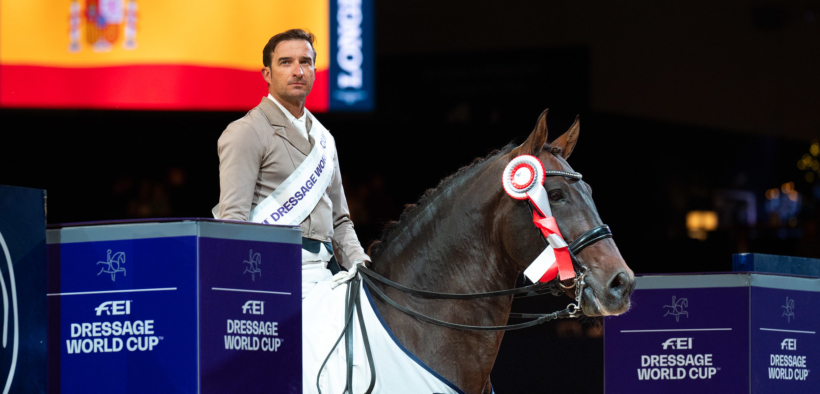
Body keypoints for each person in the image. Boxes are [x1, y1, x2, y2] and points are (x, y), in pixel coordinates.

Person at [216, 29, 369, 299]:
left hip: (327, 275)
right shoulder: (246, 131)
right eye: (286, 62)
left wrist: (360, 263)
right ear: (267, 74)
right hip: (272, 273)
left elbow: (340, 221)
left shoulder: (325, 138)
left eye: (305, 62)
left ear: (314, 70)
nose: (297, 71)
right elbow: (233, 222)